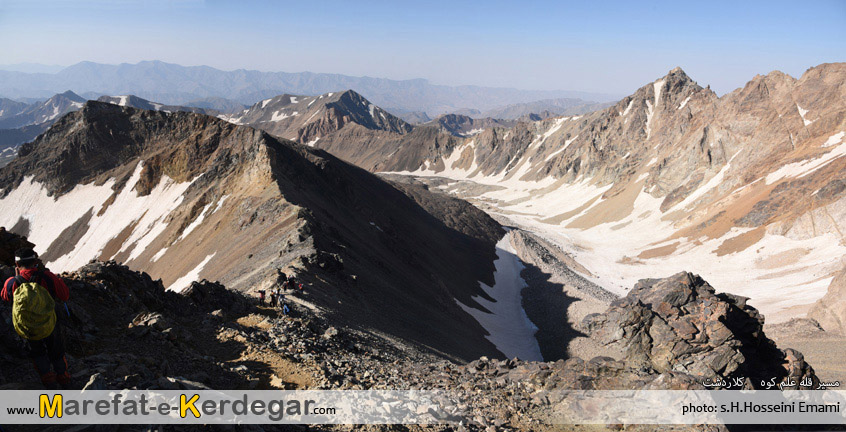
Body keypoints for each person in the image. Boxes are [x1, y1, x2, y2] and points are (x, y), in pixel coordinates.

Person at [1, 248, 71, 389]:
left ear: (17, 264)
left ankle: (49, 382)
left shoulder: (12, 282)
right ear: (35, 261)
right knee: (56, 351)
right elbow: (64, 295)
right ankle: (64, 380)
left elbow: (5, 297)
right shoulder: (47, 277)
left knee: (37, 353)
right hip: (50, 322)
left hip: (28, 327)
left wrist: (16, 278)